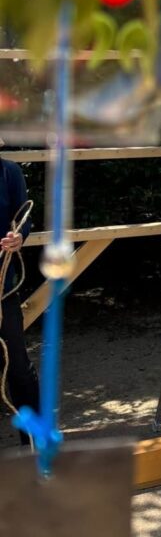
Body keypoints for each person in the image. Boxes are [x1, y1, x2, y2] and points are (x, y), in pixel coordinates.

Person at [0, 154, 39, 443]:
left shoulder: (9, 172)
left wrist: (18, 237)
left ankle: (36, 445)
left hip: (4, 287)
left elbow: (23, 220)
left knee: (18, 367)